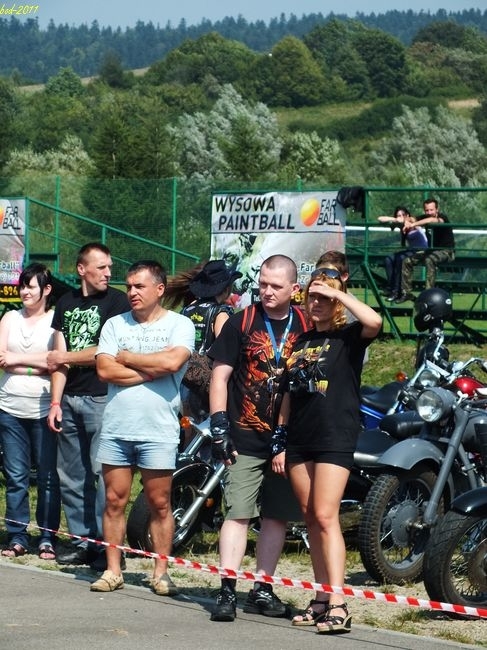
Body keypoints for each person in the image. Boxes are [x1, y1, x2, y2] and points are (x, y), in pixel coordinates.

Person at [276, 266, 382, 634]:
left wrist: (337, 293)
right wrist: (280, 437)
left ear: (337, 301)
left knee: (325, 515)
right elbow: (288, 393)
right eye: (312, 296)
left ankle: (338, 601)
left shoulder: (349, 336)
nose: (316, 302)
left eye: (324, 297)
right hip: (299, 439)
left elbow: (374, 321)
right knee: (310, 520)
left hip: (334, 437)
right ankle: (321, 597)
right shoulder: (302, 341)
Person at [207, 254, 308, 623]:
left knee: (277, 517)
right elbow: (219, 377)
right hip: (244, 436)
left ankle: (262, 589)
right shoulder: (241, 321)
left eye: (275, 286)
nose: (267, 291)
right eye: (262, 283)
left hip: (287, 441)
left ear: (294, 289)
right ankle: (227, 590)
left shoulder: (306, 324)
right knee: (238, 513)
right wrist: (219, 424)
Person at [89, 260, 195, 595]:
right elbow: (105, 370)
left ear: (159, 289)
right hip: (117, 428)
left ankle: (161, 572)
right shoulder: (114, 324)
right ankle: (113, 570)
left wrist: (128, 358)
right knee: (113, 501)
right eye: (129, 286)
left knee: (159, 503)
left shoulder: (180, 324)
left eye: (139, 286)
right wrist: (150, 371)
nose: (132, 292)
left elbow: (173, 362)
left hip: (158, 430)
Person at [47, 242, 130, 568]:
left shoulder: (117, 302)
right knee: (71, 475)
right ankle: (82, 542)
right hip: (69, 399)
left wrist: (65, 356)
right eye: (101, 267)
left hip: (102, 398)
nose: (108, 273)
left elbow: (104, 351)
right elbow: (58, 361)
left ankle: (108, 548)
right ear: (82, 269)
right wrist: (56, 402)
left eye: (110, 267)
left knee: (104, 474)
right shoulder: (65, 303)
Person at [0, 263, 61, 559]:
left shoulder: (55, 320)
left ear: (46, 290)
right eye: (22, 286)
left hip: (44, 408)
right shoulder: (9, 318)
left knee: (48, 477)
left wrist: (17, 361)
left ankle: (47, 536)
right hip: (9, 408)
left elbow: (56, 360)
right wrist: (37, 364)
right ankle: (17, 535)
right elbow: (2, 357)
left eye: (31, 286)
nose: (24, 291)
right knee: (15, 476)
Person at [166, 259, 241, 420]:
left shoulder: (186, 310)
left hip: (184, 380)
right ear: (226, 289)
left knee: (189, 427)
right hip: (208, 383)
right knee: (209, 429)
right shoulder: (220, 312)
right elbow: (226, 350)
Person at [395, 197, 455, 303]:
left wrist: (413, 224)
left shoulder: (442, 218)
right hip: (431, 251)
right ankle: (406, 293)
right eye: (427, 210)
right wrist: (407, 221)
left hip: (446, 251)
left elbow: (432, 221)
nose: (429, 212)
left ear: (437, 209)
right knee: (407, 261)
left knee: (429, 260)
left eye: (431, 210)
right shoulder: (425, 217)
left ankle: (428, 293)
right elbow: (412, 218)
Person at [377, 207, 428, 302]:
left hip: (421, 251)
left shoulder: (413, 222)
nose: (401, 217)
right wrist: (395, 220)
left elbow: (412, 219)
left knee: (400, 259)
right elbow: (380, 219)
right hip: (411, 250)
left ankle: (397, 291)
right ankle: (390, 288)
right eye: (398, 215)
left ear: (407, 215)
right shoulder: (400, 224)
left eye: (403, 215)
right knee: (388, 259)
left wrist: (405, 220)